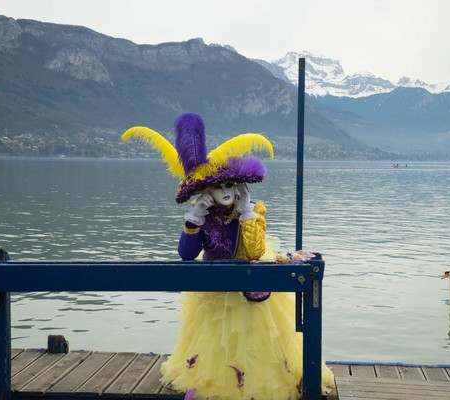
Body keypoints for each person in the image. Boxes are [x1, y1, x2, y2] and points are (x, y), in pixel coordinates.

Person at [122, 113, 334, 399]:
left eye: (229, 186)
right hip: (215, 294)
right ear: (207, 191)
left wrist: (247, 211)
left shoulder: (252, 212)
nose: (224, 191)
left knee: (255, 339)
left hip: (251, 290)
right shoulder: (204, 218)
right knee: (217, 343)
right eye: (218, 187)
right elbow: (186, 254)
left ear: (238, 188)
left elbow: (257, 250)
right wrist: (195, 218)